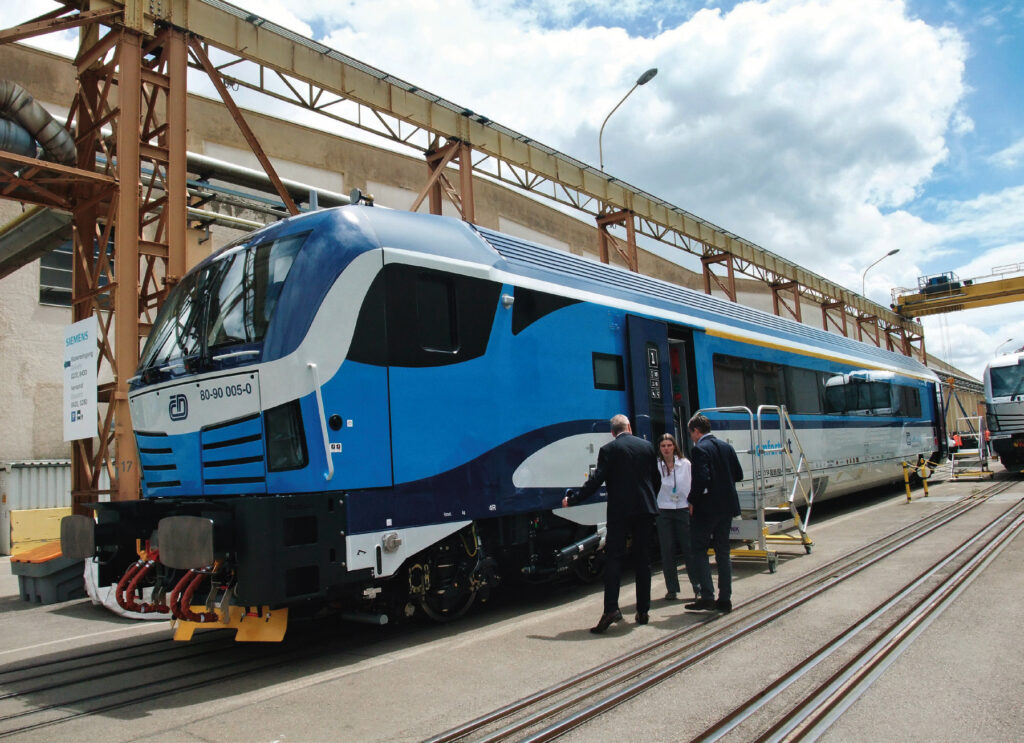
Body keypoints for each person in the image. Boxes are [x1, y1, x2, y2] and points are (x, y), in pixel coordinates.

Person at [563, 414, 660, 633]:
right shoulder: (646, 446)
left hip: (620, 512)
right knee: (643, 560)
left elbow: (596, 481)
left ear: (613, 432)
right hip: (645, 510)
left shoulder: (609, 450)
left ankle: (611, 610)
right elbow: (656, 480)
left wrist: (573, 499)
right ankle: (643, 611)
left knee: (614, 559)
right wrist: (649, 500)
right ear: (630, 427)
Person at [685, 413, 743, 613]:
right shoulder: (726, 447)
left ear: (696, 431)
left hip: (707, 509)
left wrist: (692, 500)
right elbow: (738, 474)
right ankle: (725, 599)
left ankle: (707, 596)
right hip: (727, 507)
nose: (692, 437)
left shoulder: (700, 449)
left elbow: (701, 478)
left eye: (691, 433)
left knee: (699, 550)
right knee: (723, 552)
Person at [654, 433, 701, 602]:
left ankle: (697, 585)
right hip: (663, 510)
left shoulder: (685, 464)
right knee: (667, 551)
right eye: (663, 446)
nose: (666, 448)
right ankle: (672, 589)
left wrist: (693, 502)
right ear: (659, 449)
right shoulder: (656, 466)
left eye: (669, 445)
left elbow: (693, 483)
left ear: (674, 446)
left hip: (683, 508)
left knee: (689, 548)